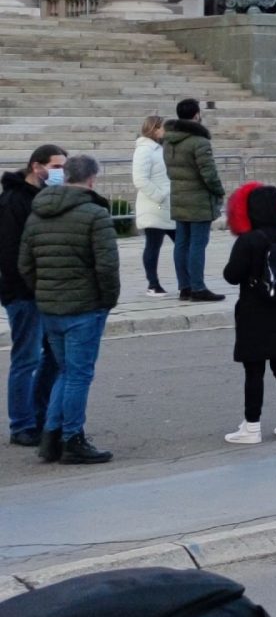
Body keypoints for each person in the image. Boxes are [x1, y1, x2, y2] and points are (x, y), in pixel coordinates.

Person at [21, 153, 117, 464]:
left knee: (65, 370)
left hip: (50, 306)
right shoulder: (94, 214)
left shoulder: (38, 213)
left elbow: (26, 264)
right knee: (78, 375)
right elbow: (106, 266)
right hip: (84, 307)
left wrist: (44, 290)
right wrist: (107, 299)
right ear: (92, 179)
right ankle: (72, 437)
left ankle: (51, 436)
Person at [220, 185, 276, 446]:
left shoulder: (248, 240)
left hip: (254, 310)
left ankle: (252, 426)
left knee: (254, 371)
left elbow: (232, 275)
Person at [3, 144, 64, 450]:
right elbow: (11, 252)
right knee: (25, 359)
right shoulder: (14, 200)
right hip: (23, 293)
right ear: (36, 166)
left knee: (53, 355)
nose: (59, 172)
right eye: (55, 166)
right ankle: (22, 424)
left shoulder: (44, 197)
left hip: (47, 291)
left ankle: (40, 415)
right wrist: (27, 286)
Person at [164, 98, 225, 303]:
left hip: (179, 196)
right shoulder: (199, 141)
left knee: (181, 243)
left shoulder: (169, 140)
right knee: (198, 244)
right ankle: (198, 287)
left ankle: (185, 287)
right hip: (198, 199)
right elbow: (208, 173)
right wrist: (219, 190)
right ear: (196, 114)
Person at [133, 114, 174, 295]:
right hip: (154, 205)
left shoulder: (161, 148)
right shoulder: (144, 150)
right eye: (163, 127)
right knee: (153, 244)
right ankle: (153, 283)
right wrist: (159, 196)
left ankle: (188, 282)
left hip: (168, 206)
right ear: (154, 128)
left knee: (182, 243)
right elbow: (140, 179)